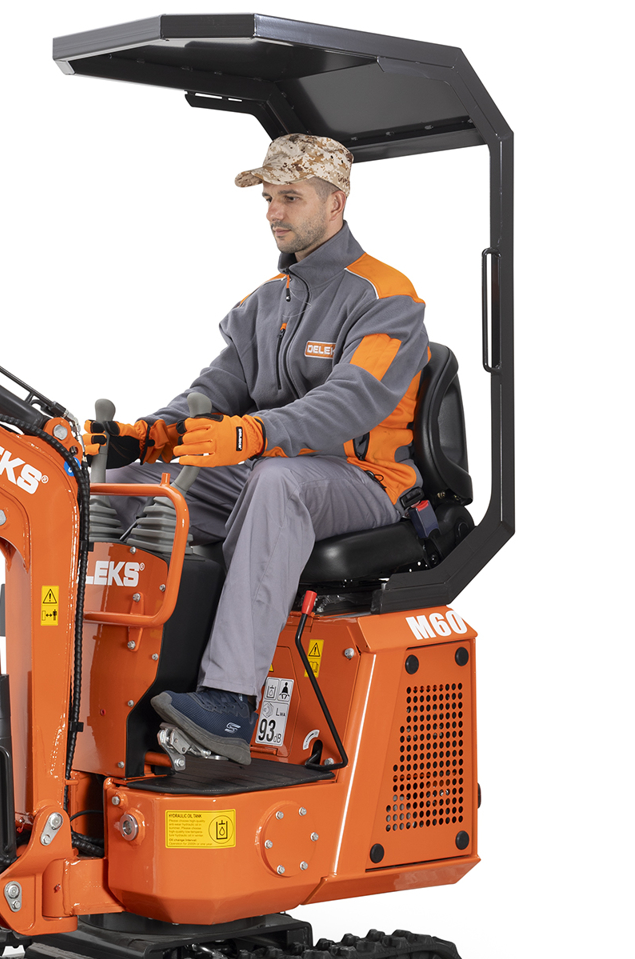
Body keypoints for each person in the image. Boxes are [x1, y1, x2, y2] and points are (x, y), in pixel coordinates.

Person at [86, 133, 432, 766]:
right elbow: (214, 391)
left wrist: (251, 435)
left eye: (290, 198)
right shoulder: (265, 303)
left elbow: (352, 401)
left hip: (364, 481)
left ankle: (228, 703)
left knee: (279, 484)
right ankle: (104, 675)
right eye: (269, 198)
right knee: (132, 487)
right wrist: (149, 435)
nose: (273, 212)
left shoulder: (387, 297)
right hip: (275, 467)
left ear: (336, 202)